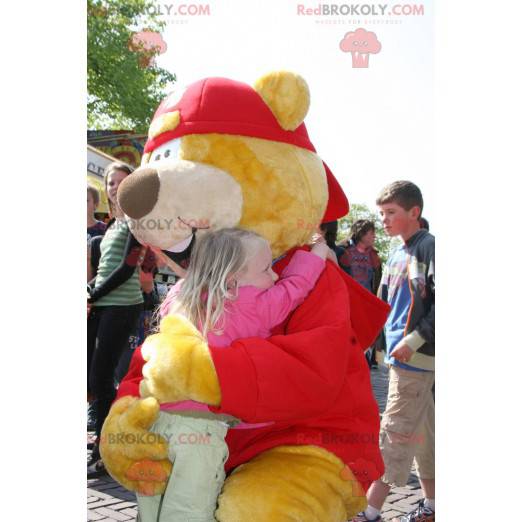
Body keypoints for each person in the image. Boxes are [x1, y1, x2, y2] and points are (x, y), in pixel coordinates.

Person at [135, 227, 332, 522]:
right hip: (201, 432)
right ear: (232, 280)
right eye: (266, 269)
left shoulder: (180, 295)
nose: (274, 276)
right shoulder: (252, 306)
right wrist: (319, 251)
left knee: (151, 504)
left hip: (155, 419)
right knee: (189, 510)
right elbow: (296, 286)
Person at [350, 181, 435, 522]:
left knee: (394, 433)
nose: (383, 220)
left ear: (414, 213)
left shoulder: (429, 247)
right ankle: (431, 506)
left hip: (415, 358)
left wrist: (412, 341)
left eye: (390, 213)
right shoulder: (396, 253)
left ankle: (370, 512)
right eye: (381, 213)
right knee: (426, 435)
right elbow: (383, 307)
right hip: (403, 358)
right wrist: (370, 341)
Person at [87, 162, 146, 477]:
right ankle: (103, 440)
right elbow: (103, 270)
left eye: (121, 182)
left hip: (122, 308)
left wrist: (92, 295)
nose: (114, 187)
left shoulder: (137, 223)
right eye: (110, 182)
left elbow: (126, 269)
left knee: (101, 379)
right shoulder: (110, 226)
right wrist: (90, 291)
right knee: (94, 380)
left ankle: (105, 452)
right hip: (102, 306)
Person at [339, 220, 382, 369]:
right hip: (347, 302)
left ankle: (364, 361)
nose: (374, 236)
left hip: (367, 302)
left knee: (365, 333)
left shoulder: (374, 256)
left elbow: (378, 281)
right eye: (371, 233)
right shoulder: (343, 251)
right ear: (361, 233)